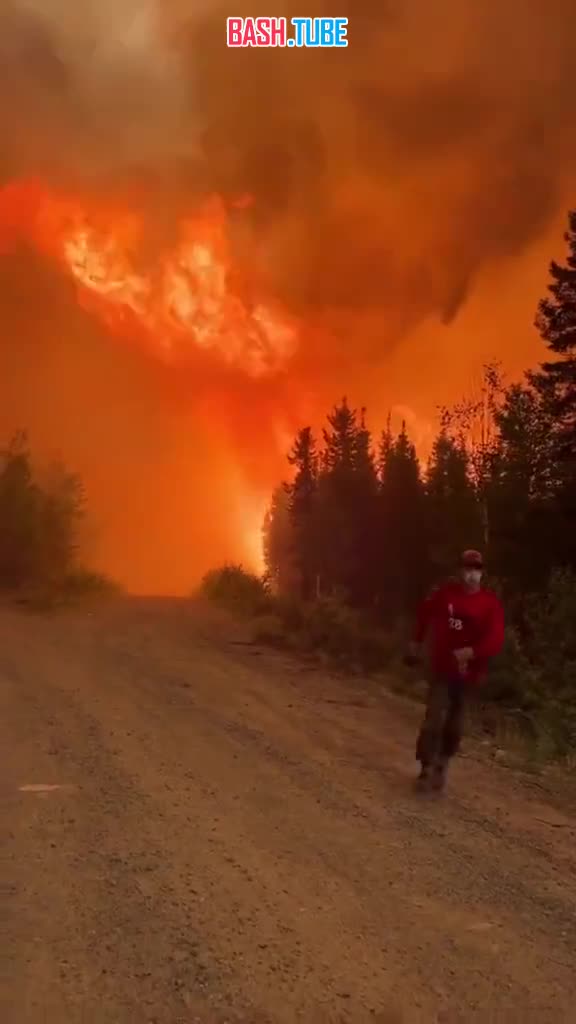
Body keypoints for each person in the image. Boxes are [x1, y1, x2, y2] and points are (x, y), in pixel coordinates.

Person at [406, 550, 505, 793]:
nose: (472, 574)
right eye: (468, 568)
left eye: (477, 569)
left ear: (482, 572)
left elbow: (496, 640)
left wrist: (472, 652)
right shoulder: (445, 594)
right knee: (433, 720)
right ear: (460, 570)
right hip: (442, 669)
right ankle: (426, 767)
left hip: (469, 676)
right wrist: (416, 642)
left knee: (455, 725)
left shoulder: (489, 604)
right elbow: (424, 613)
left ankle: (442, 763)